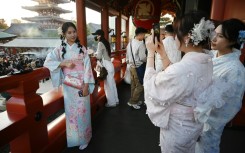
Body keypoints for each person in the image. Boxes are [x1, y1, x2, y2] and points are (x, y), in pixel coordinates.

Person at [144, 11, 217, 152]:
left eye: (176, 32)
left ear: (187, 38)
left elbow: (151, 85)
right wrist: (163, 53)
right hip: (193, 125)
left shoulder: (182, 69)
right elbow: (180, 77)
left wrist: (151, 54)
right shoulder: (206, 60)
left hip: (177, 128)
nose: (174, 36)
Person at [195, 19, 245, 153]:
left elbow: (229, 107)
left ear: (233, 40)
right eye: (214, 33)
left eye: (221, 36)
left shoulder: (236, 70)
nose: (214, 38)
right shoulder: (211, 55)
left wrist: (200, 119)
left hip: (207, 127)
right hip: (192, 120)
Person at [44, 22, 95, 150]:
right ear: (64, 34)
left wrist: (86, 85)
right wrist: (64, 64)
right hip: (69, 86)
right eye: (69, 32)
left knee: (83, 112)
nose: (73, 35)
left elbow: (88, 67)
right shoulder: (60, 49)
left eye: (74, 32)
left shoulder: (82, 49)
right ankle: (73, 139)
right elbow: (48, 62)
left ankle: (85, 138)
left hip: (82, 84)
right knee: (71, 113)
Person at [92, 29, 119, 107]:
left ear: (99, 35)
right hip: (110, 65)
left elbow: (99, 56)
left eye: (97, 35)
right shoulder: (106, 42)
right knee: (112, 84)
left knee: (108, 86)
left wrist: (93, 54)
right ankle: (116, 100)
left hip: (106, 66)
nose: (96, 37)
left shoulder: (100, 43)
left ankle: (111, 103)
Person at [126, 27, 148, 109]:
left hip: (131, 67)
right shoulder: (140, 43)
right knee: (140, 85)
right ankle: (132, 102)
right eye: (144, 35)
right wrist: (148, 60)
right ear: (141, 34)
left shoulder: (130, 42)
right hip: (138, 67)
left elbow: (127, 56)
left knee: (133, 85)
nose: (144, 37)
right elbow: (142, 57)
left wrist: (130, 62)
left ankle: (133, 99)